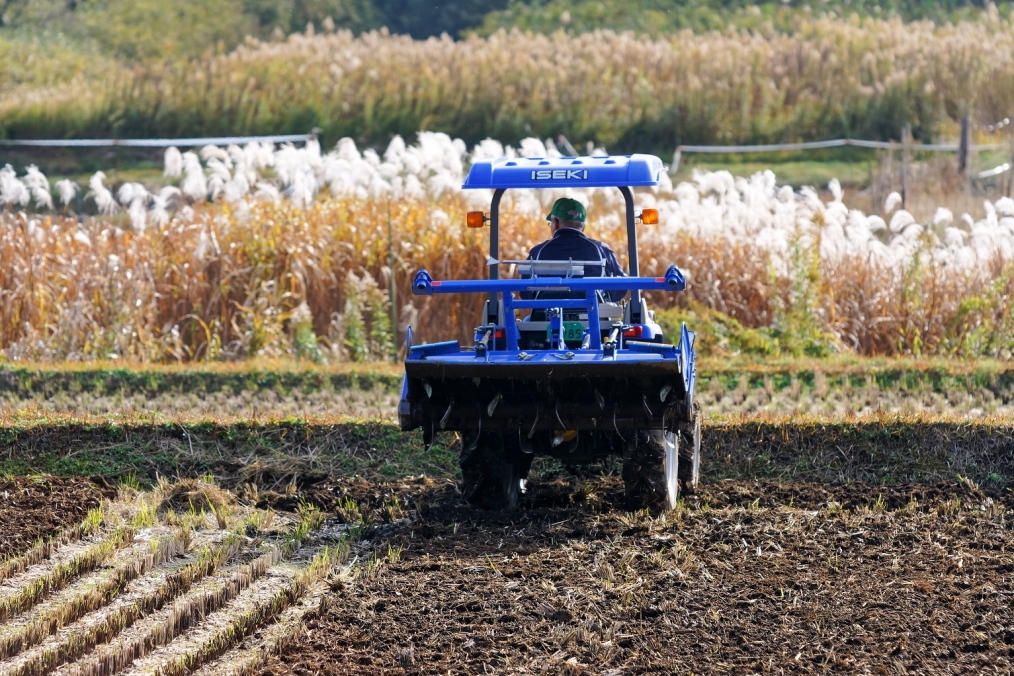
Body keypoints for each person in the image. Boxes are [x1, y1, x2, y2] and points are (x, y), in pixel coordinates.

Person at [523, 197, 627, 302]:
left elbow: (525, 293)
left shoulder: (538, 252)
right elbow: (620, 288)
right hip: (592, 315)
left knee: (527, 319)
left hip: (547, 316)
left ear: (556, 223)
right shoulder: (602, 250)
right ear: (583, 227)